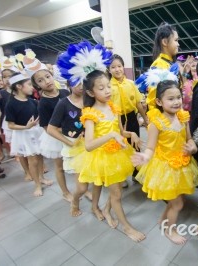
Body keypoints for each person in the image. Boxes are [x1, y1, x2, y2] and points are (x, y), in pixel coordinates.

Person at [59, 41, 145, 242]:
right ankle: (126, 227)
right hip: (104, 157)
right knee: (116, 194)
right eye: (101, 88)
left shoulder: (112, 108)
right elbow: (88, 145)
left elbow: (119, 130)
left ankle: (106, 210)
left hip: (118, 153)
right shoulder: (90, 114)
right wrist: (112, 136)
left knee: (116, 193)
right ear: (90, 92)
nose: (107, 90)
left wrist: (130, 134)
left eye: (108, 86)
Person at [132, 79, 198, 245]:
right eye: (170, 99)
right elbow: (150, 147)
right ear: (159, 102)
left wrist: (192, 147)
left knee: (177, 199)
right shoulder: (156, 123)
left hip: (183, 166)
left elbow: (190, 139)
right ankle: (170, 229)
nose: (176, 101)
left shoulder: (183, 117)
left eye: (178, 97)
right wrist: (144, 157)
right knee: (177, 203)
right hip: (165, 167)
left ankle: (164, 219)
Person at [47, 80, 92, 201]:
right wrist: (69, 142)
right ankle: (75, 200)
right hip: (73, 144)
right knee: (80, 176)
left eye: (83, 82)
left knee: (87, 173)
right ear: (69, 85)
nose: (81, 86)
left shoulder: (90, 100)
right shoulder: (63, 104)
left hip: (89, 142)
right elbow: (51, 129)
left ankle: (85, 191)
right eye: (77, 83)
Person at [31, 59, 70, 197]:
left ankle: (85, 190)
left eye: (47, 77)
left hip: (72, 133)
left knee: (77, 163)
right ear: (37, 85)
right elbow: (46, 127)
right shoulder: (43, 103)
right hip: (56, 137)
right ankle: (65, 192)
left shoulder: (65, 92)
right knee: (60, 167)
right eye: (41, 80)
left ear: (52, 76)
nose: (46, 81)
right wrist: (64, 130)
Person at [109, 54, 148, 187]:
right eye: (113, 67)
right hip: (115, 120)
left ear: (123, 67)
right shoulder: (108, 86)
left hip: (131, 118)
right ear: (109, 70)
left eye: (119, 66)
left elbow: (138, 103)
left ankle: (136, 174)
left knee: (134, 145)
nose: (117, 69)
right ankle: (121, 176)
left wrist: (145, 118)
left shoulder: (131, 83)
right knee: (119, 148)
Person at [5, 73, 45, 196]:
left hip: (36, 131)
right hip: (24, 134)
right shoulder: (11, 104)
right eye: (28, 84)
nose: (32, 87)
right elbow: (10, 125)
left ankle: (42, 178)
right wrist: (26, 127)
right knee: (32, 160)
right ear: (18, 86)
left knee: (39, 157)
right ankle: (37, 185)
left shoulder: (32, 101)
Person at [146, 22, 179, 109]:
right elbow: (153, 98)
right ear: (164, 42)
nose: (178, 44)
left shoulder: (169, 63)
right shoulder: (159, 65)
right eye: (176, 40)